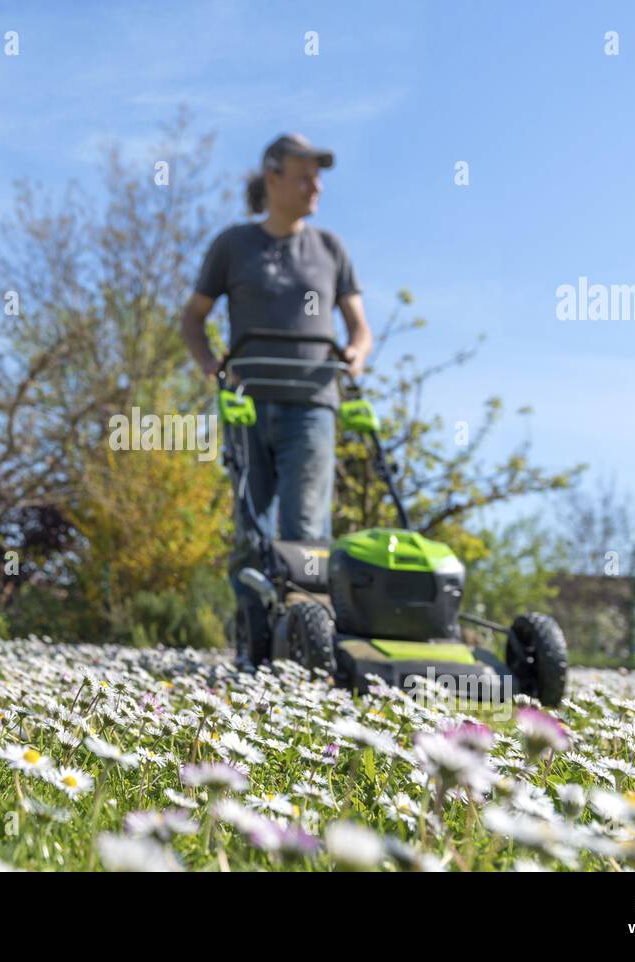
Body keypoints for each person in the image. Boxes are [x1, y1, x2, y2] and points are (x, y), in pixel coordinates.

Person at [180, 133, 373, 668]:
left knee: (305, 530)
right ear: (273, 178)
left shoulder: (330, 249)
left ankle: (306, 649)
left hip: (313, 403)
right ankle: (255, 642)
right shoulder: (233, 246)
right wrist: (210, 366)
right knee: (251, 530)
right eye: (305, 173)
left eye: (319, 175)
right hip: (247, 404)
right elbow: (192, 318)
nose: (316, 185)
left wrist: (355, 353)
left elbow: (360, 328)